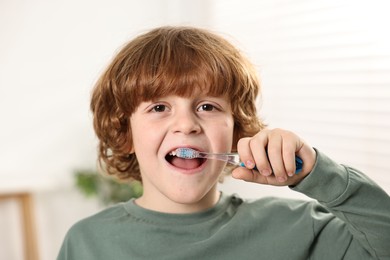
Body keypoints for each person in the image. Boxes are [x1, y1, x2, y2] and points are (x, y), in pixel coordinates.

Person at [57, 26, 390, 260]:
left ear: (236, 132)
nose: (186, 124)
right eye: (159, 108)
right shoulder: (87, 242)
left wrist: (317, 172)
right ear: (124, 134)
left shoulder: (300, 229)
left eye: (207, 107)